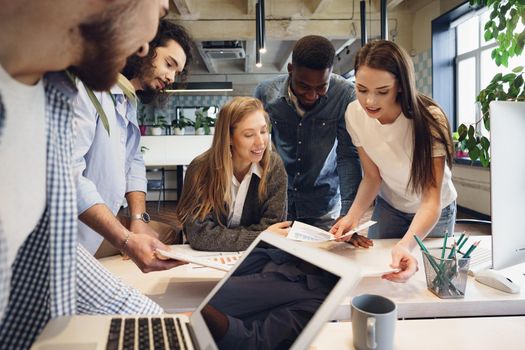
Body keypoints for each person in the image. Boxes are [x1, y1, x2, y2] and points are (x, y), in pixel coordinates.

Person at [0, 1, 175, 348]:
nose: (143, 46)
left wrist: (156, 322)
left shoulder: (49, 98)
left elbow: (52, 255)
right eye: (160, 8)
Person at [73, 19, 194, 272]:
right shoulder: (88, 89)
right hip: (74, 230)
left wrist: (138, 219)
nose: (171, 77)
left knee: (170, 235)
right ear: (144, 48)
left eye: (177, 72)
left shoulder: (129, 100)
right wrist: (126, 240)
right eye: (169, 64)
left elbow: (135, 162)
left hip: (104, 220)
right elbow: (69, 177)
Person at [331, 40, 457, 283]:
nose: (369, 101)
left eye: (382, 91)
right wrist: (353, 216)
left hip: (434, 211)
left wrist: (406, 245)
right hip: (390, 206)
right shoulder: (354, 114)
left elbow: (431, 200)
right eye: (361, 89)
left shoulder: (430, 119)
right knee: (380, 275)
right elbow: (372, 177)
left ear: (400, 85)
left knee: (430, 283)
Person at [254, 35, 362, 232]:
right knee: (278, 259)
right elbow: (255, 148)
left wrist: (348, 213)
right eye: (303, 86)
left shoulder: (345, 94)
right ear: (290, 70)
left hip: (323, 204)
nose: (312, 95)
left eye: (321, 87)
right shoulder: (266, 92)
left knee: (323, 261)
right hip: (279, 200)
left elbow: (347, 155)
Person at [175, 97, 290, 251]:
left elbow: (276, 230)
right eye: (249, 135)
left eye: (263, 131)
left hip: (256, 259)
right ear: (228, 138)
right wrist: (260, 237)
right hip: (203, 260)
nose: (261, 142)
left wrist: (224, 237)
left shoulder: (273, 167)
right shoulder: (201, 169)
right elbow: (199, 234)